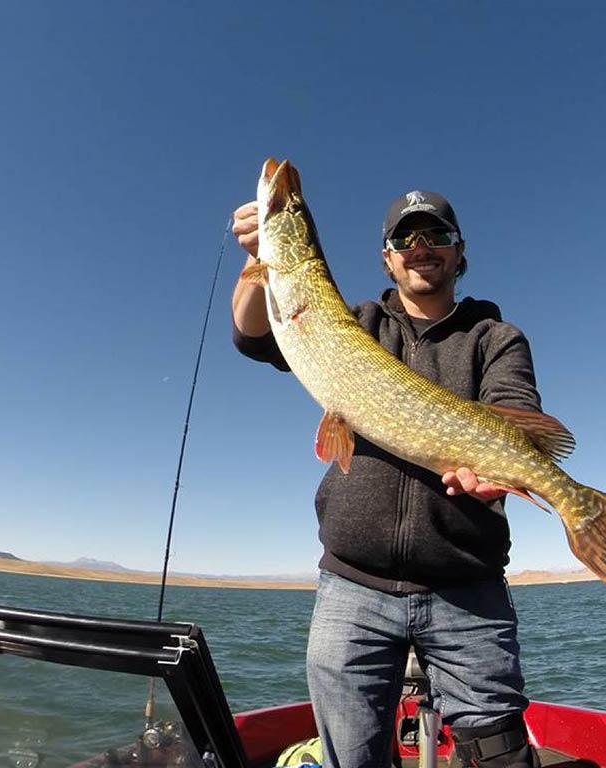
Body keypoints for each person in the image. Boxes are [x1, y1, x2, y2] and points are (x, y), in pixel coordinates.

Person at [231, 189, 542, 768]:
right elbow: (252, 336)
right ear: (387, 257)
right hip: (352, 587)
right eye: (406, 238)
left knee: (500, 754)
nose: (421, 248)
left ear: (459, 251)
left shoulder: (496, 338)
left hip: (466, 587)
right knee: (353, 756)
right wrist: (257, 261)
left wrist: (502, 475)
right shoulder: (353, 323)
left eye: (436, 236)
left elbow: (513, 417)